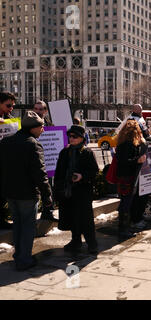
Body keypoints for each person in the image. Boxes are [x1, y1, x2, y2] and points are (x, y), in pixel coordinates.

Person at [0, 111, 53, 271]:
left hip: (10, 193)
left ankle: (18, 256)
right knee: (28, 227)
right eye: (41, 127)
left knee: (18, 225)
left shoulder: (6, 142)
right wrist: (47, 195)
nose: (43, 130)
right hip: (27, 194)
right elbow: (40, 173)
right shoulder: (33, 144)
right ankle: (24, 259)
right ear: (33, 128)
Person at [55, 125, 99, 254]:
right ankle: (76, 241)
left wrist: (82, 176)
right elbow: (59, 172)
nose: (71, 138)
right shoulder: (64, 152)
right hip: (68, 191)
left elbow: (94, 172)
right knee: (72, 217)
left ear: (81, 138)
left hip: (83, 191)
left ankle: (92, 243)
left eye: (74, 136)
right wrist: (58, 189)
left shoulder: (87, 152)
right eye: (70, 136)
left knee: (86, 219)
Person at [115, 120, 147, 240]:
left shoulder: (122, 143)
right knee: (126, 203)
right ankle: (123, 229)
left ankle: (123, 227)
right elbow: (125, 162)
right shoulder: (128, 144)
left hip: (124, 177)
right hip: (127, 177)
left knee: (125, 202)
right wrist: (137, 160)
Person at [0, 91, 16, 230]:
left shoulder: (10, 118)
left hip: (6, 161)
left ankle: (2, 218)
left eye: (12, 106)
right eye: (8, 105)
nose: (11, 108)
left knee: (3, 191)